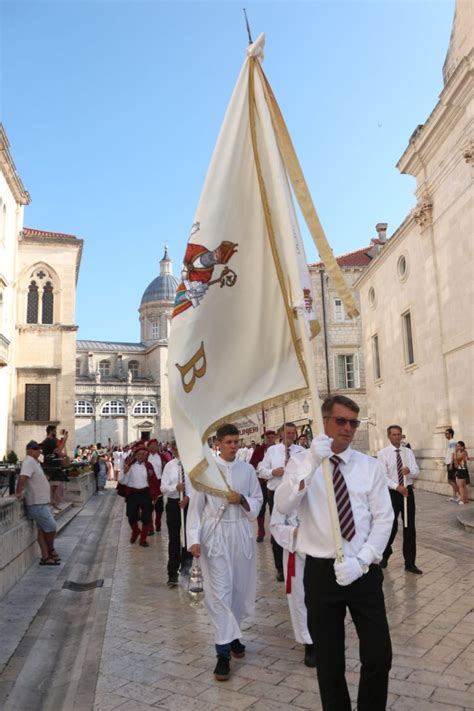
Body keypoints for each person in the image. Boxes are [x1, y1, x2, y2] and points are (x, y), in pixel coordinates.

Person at [275, 395, 393, 711]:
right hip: (321, 572)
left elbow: (384, 518)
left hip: (362, 570)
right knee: (329, 661)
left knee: (379, 654)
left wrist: (363, 560)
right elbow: (283, 505)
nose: (348, 428)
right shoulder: (301, 462)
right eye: (341, 421)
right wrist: (312, 462)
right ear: (323, 421)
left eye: (353, 422)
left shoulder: (369, 466)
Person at [187, 423, 263, 682]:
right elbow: (195, 509)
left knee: (239, 589)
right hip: (216, 536)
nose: (233, 446)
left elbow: (258, 500)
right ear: (217, 444)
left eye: (236, 441)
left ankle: (234, 636)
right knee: (220, 592)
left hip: (240, 533)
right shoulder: (206, 471)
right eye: (228, 442)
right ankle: (222, 653)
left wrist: (242, 499)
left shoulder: (247, 469)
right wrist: (193, 539)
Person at [270, 506, 316, 667]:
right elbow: (275, 525)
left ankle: (324, 637)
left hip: (322, 549)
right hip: (296, 551)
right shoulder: (287, 490)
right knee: (300, 597)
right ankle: (308, 642)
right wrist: (294, 532)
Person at [257, 422, 304, 581]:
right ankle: (280, 568)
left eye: (293, 432)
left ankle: (298, 560)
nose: (290, 435)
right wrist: (273, 472)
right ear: (281, 434)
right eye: (287, 432)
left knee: (295, 527)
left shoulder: (302, 452)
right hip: (276, 494)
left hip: (296, 495)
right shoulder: (272, 451)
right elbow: (261, 470)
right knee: (278, 527)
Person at [379, 425, 422, 575]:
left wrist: (409, 471)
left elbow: (416, 472)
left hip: (407, 492)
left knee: (409, 527)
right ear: (389, 436)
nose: (397, 437)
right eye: (394, 435)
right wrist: (397, 487)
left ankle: (410, 563)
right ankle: (384, 554)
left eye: (399, 434)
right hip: (392, 493)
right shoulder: (383, 454)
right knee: (390, 526)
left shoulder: (407, 452)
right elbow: (382, 477)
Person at [16, 441, 60, 566]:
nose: (39, 451)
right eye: (36, 448)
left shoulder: (34, 462)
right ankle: (51, 550)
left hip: (41, 502)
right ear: (29, 449)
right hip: (37, 504)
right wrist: (19, 492)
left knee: (42, 531)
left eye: (39, 448)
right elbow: (23, 477)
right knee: (51, 527)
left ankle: (45, 557)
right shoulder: (28, 461)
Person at [160, 441, 193, 587]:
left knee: (188, 537)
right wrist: (176, 487)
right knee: (174, 539)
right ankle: (172, 573)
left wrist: (188, 497)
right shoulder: (170, 466)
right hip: (174, 504)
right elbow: (163, 487)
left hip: (189, 504)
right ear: (173, 450)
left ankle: (186, 568)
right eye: (176, 448)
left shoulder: (193, 465)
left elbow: (198, 485)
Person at [120, 444, 160, 547]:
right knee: (131, 516)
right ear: (135, 455)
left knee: (146, 517)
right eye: (140, 454)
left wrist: (155, 496)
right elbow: (122, 481)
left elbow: (154, 481)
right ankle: (136, 531)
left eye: (144, 454)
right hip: (133, 494)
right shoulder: (129, 465)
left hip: (145, 493)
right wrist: (125, 472)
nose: (142, 456)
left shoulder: (149, 466)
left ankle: (143, 539)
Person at [250, 429, 276, 543]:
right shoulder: (259, 450)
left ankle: (274, 533)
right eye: (268, 438)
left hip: (274, 483)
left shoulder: (278, 449)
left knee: (273, 507)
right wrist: (260, 474)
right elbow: (252, 464)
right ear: (264, 439)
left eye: (272, 437)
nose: (270, 439)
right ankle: (261, 531)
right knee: (261, 507)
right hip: (261, 483)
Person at [146, 439, 164, 533]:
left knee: (159, 506)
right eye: (151, 445)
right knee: (149, 506)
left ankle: (158, 523)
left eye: (155, 445)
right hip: (149, 483)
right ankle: (150, 527)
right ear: (148, 447)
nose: (153, 446)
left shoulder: (162, 457)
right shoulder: (145, 457)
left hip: (159, 482)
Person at [445, 428, 460, 502]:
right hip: (449, 462)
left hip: (451, 463)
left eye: (446, 433)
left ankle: (460, 495)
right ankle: (454, 496)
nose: (445, 435)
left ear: (450, 434)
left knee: (450, 480)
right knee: (453, 480)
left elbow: (453, 453)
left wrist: (451, 464)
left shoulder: (453, 442)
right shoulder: (450, 442)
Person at [453, 441, 470, 505]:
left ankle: (463, 500)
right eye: (457, 446)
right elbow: (456, 463)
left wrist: (455, 453)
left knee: (461, 486)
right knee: (463, 486)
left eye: (458, 446)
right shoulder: (459, 452)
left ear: (462, 446)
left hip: (462, 470)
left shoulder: (464, 452)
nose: (457, 447)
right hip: (460, 470)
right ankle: (466, 500)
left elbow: (457, 459)